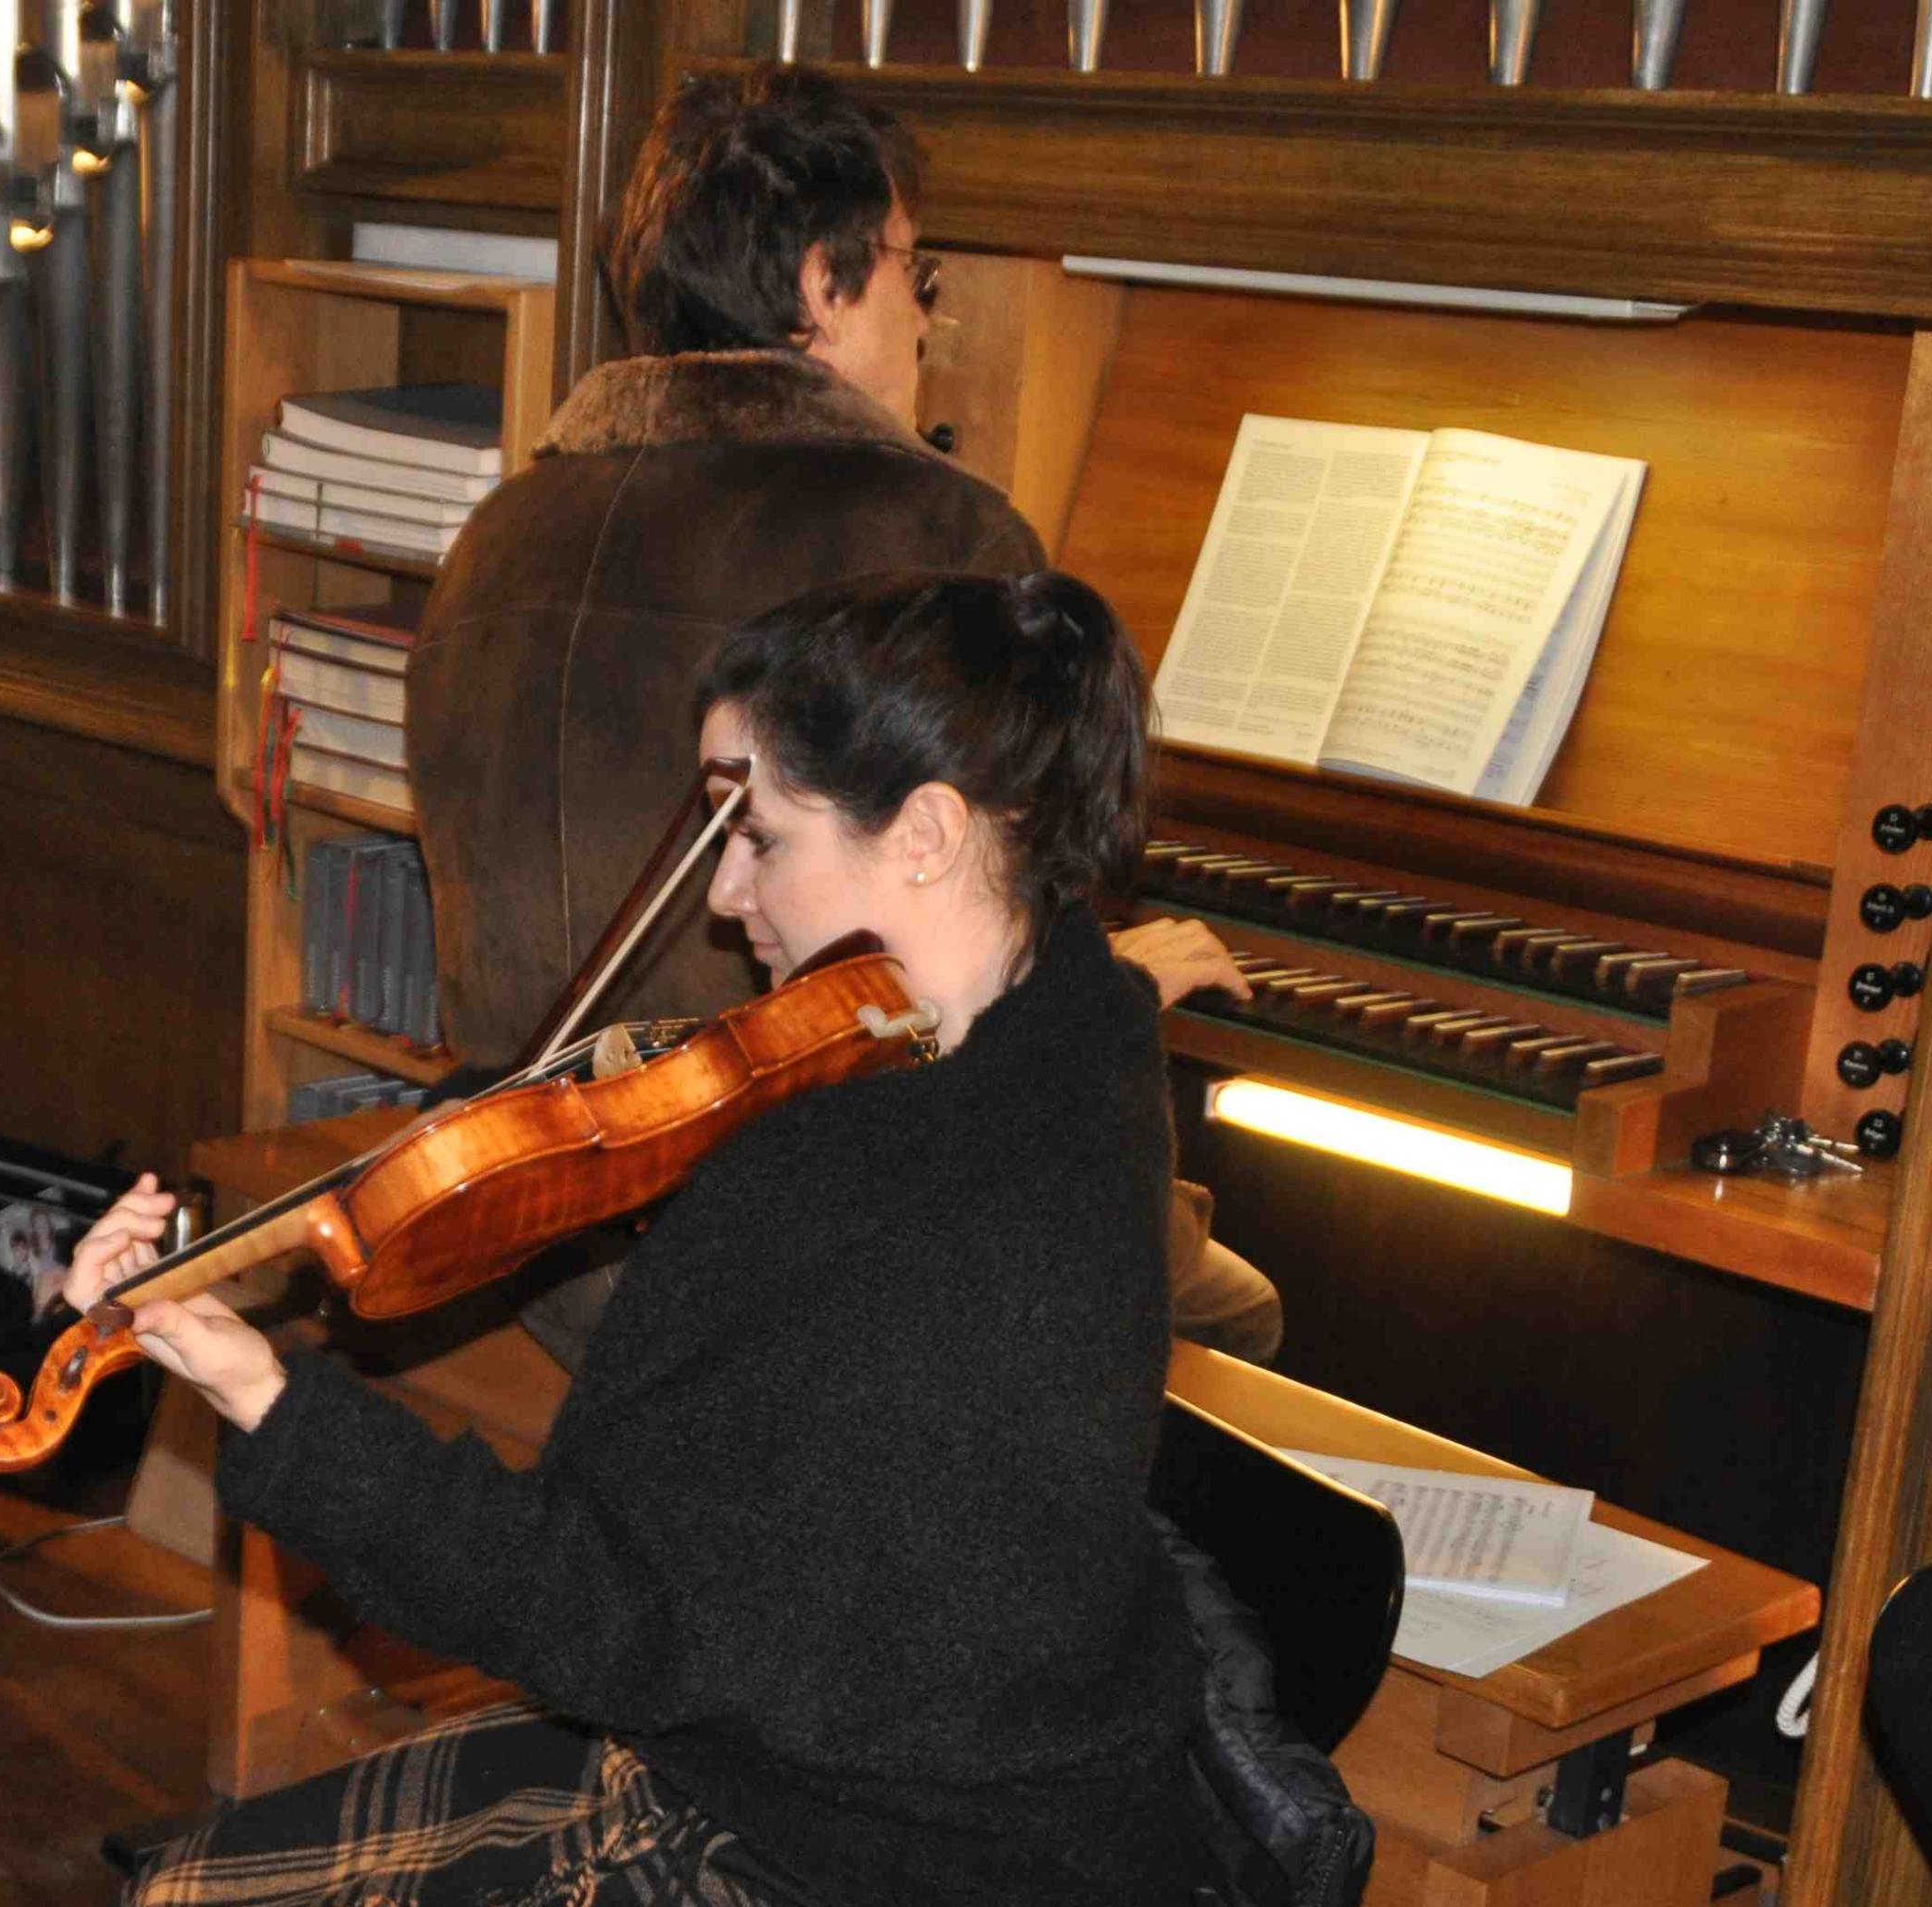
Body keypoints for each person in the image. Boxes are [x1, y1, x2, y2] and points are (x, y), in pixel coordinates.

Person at [0, 572, 1234, 1907]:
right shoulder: (1023, 1018)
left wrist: (267, 1398)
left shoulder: (931, 1203)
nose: (725, 895)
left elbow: (604, 1610)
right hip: (776, 1764)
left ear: (928, 833)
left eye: (761, 830)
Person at [400, 64, 1281, 1366]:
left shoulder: (497, 527)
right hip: (782, 1252)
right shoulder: (942, 541)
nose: (924, 324)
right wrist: (1120, 991)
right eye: (914, 277)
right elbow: (999, 1016)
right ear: (823, 282)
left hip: (534, 1231)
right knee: (1241, 1310)